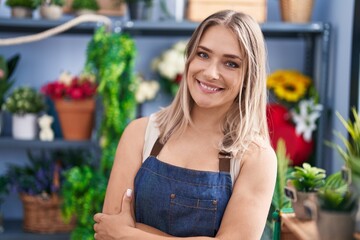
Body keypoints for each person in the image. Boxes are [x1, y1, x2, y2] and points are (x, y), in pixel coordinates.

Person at [93, 10, 277, 240]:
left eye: (231, 63)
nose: (211, 72)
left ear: (250, 75)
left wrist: (130, 234)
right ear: (189, 58)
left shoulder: (256, 157)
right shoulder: (140, 134)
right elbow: (108, 233)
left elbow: (117, 233)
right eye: (203, 54)